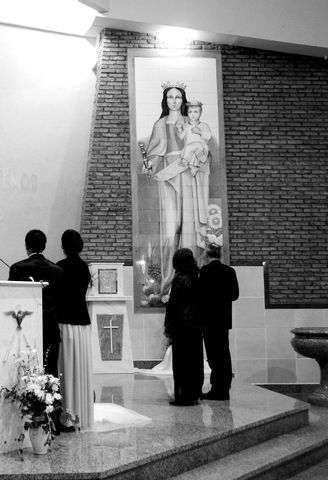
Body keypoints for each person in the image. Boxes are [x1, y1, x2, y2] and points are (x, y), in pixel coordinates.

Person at [145, 82, 210, 295]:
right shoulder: (160, 124)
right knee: (170, 231)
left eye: (178, 97)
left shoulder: (192, 122)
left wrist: (201, 156)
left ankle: (190, 282)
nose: (174, 100)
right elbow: (154, 153)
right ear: (165, 100)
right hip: (169, 177)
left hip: (189, 175)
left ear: (183, 100)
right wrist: (150, 163)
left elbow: (203, 148)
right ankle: (167, 282)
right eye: (170, 97)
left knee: (189, 230)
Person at [8, 230, 63, 377]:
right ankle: (52, 399)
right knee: (50, 369)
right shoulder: (58, 271)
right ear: (44, 245)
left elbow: (11, 299)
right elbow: (61, 300)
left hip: (26, 328)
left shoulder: (17, 268)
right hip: (51, 327)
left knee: (26, 369)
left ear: (27, 246)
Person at [56, 230, 94, 429]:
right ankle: (81, 412)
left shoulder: (60, 267)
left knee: (66, 367)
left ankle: (66, 415)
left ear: (63, 245)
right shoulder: (84, 268)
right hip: (82, 323)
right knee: (80, 367)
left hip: (65, 322)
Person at [164, 248, 203, 406]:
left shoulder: (180, 279)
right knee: (195, 360)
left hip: (181, 326)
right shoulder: (198, 277)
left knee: (181, 363)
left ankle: (184, 396)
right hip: (196, 326)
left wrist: (168, 326)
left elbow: (174, 305)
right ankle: (195, 393)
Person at [199, 244, 239, 400]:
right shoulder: (230, 271)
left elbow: (200, 295)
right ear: (220, 255)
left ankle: (216, 388)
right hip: (223, 319)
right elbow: (235, 295)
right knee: (224, 353)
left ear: (207, 255)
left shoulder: (205, 271)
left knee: (213, 355)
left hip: (208, 319)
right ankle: (225, 388)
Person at [176, 101, 211, 176]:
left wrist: (200, 132)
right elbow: (181, 137)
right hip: (189, 151)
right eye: (190, 112)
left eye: (196, 112)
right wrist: (179, 129)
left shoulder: (204, 126)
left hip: (201, 148)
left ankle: (185, 161)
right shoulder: (185, 126)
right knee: (191, 150)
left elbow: (208, 136)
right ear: (187, 113)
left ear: (200, 113)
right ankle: (193, 167)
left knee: (196, 145)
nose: (193, 115)